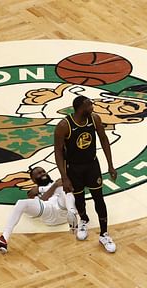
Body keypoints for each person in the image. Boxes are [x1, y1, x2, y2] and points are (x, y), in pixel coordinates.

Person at [54, 96, 117, 253]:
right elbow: (58, 152)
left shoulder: (94, 119)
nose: (93, 106)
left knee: (99, 198)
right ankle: (84, 219)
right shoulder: (64, 125)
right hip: (73, 168)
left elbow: (104, 139)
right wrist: (64, 177)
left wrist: (110, 165)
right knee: (79, 198)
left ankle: (104, 234)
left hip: (91, 165)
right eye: (90, 104)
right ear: (81, 108)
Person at [0, 166, 78, 254]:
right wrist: (54, 186)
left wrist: (51, 186)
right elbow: (43, 199)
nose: (43, 174)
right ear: (34, 180)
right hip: (48, 213)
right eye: (39, 173)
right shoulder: (33, 191)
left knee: (64, 187)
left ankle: (72, 216)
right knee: (21, 203)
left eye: (43, 171)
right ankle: (4, 240)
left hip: (63, 210)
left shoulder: (57, 184)